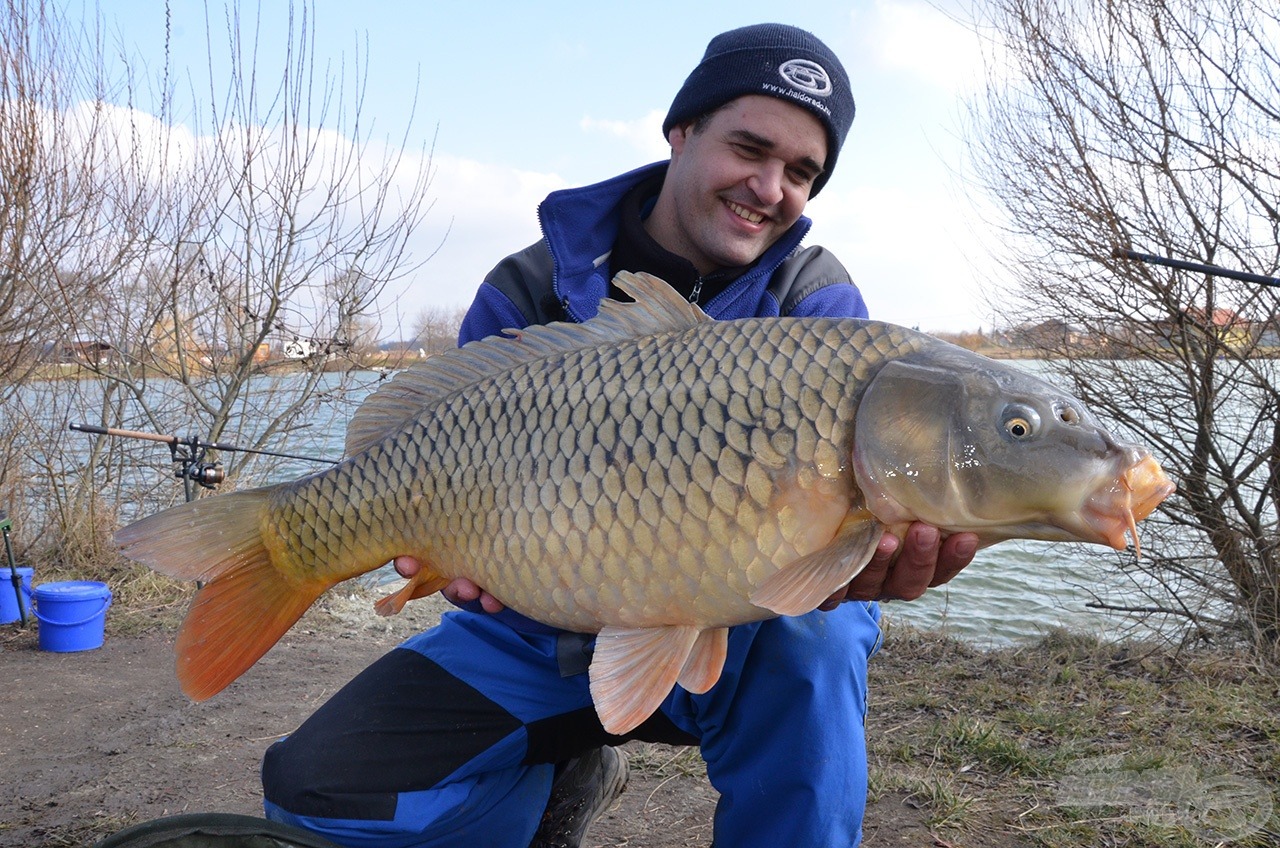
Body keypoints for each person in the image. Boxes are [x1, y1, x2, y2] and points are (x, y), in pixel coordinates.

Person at [261, 23, 978, 848]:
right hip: (533, 631)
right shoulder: (528, 285)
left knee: (819, 634)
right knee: (313, 790)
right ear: (681, 131)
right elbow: (432, 455)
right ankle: (545, 793)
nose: (770, 186)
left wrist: (867, 563)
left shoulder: (815, 303)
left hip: (740, 638)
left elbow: (835, 549)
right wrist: (454, 560)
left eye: (802, 172)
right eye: (749, 146)